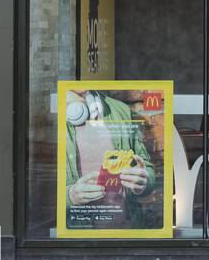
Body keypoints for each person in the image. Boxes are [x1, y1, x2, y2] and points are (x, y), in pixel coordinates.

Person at [64, 89, 158, 229]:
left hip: (126, 227)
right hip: (75, 235)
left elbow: (147, 169)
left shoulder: (120, 110)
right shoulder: (49, 114)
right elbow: (35, 185)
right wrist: (69, 196)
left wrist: (143, 183)